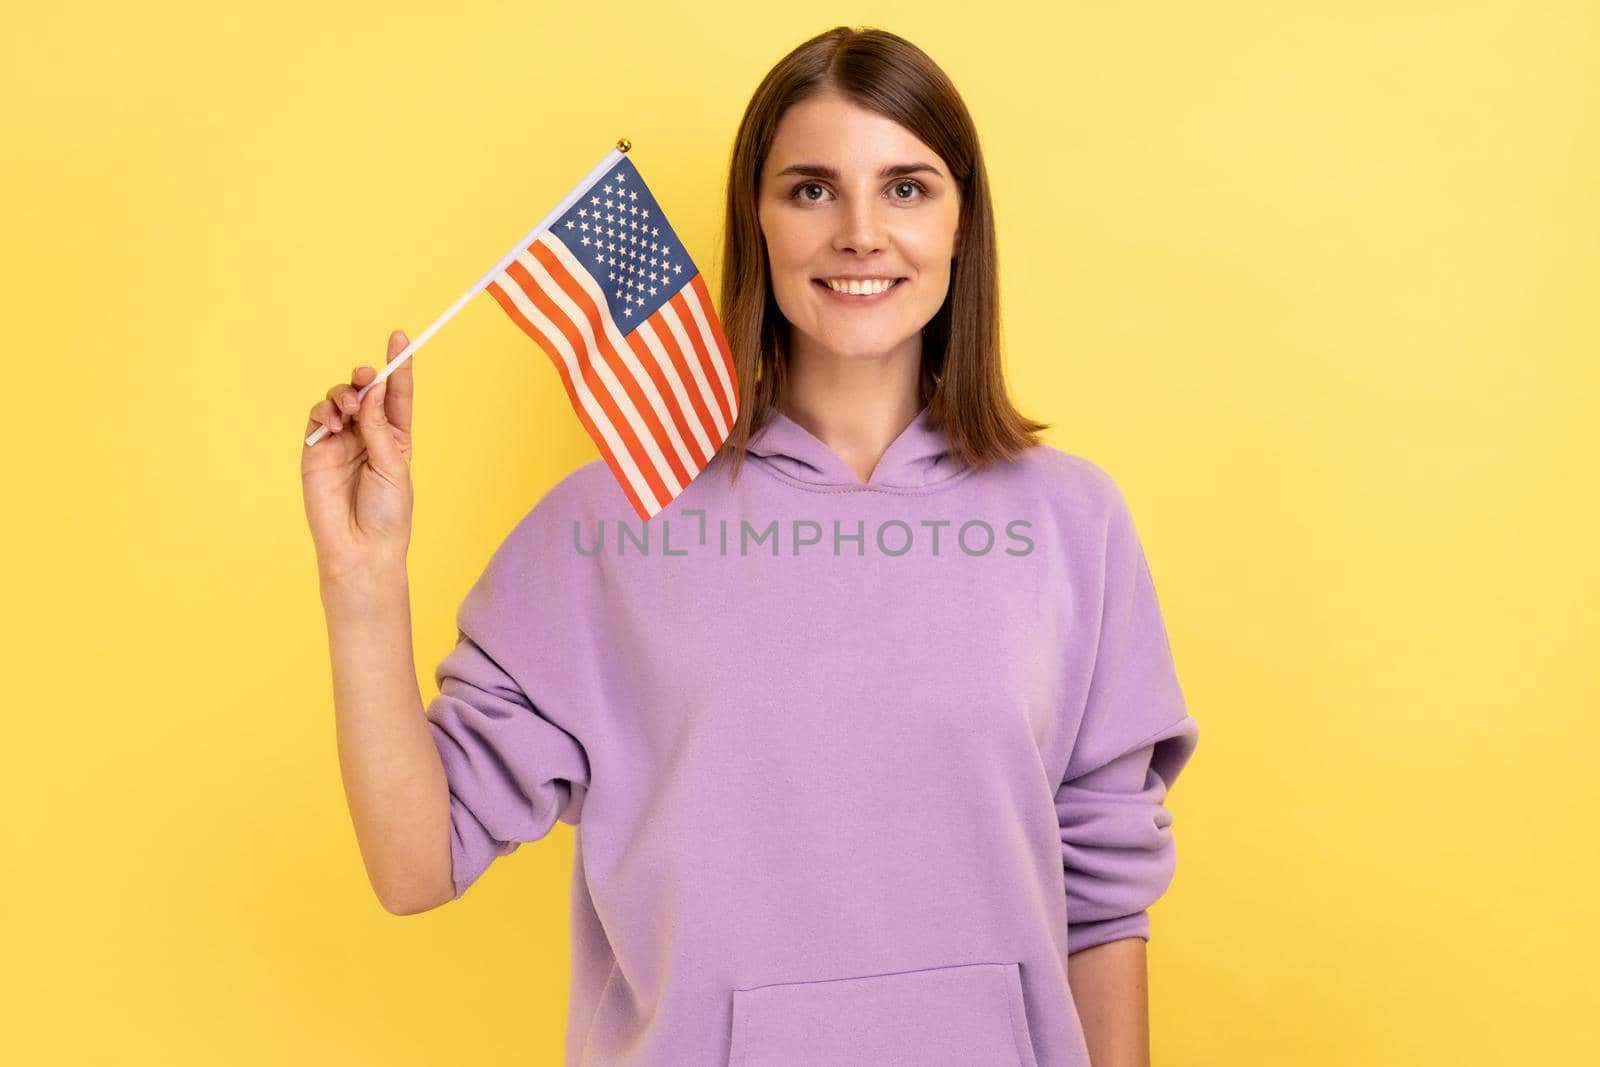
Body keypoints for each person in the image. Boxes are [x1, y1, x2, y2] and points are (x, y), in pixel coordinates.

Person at [300, 25, 1198, 1067]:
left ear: (962, 223)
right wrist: (359, 582)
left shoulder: (1070, 522)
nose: (860, 232)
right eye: (810, 189)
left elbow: (1102, 895)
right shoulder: (608, 524)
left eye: (905, 187)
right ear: (756, 223)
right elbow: (416, 865)